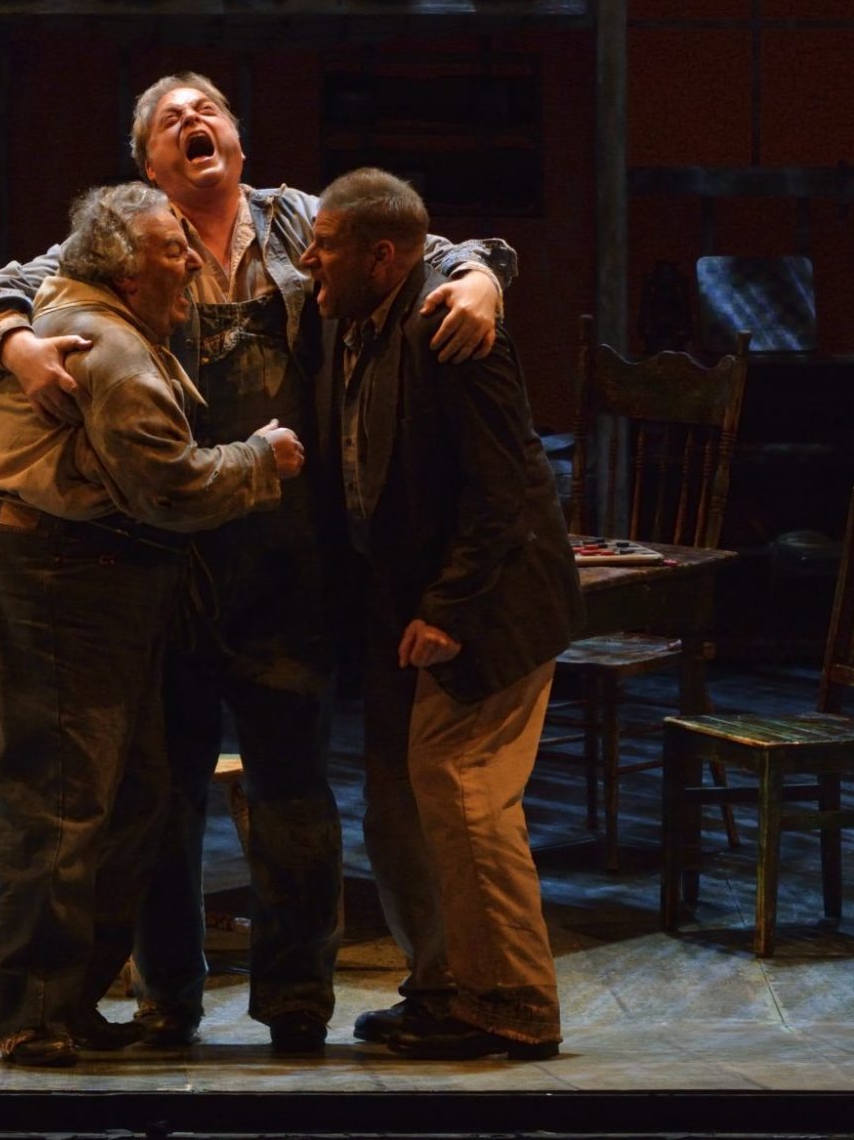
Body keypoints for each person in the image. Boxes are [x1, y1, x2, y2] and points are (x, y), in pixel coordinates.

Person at [0, 72, 516, 1052]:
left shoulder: (299, 221)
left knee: (292, 789)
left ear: (239, 142)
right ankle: (166, 996)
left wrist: (482, 279)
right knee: (159, 800)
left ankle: (296, 995)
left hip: (283, 562)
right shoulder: (128, 238)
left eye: (205, 108)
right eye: (166, 119)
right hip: (155, 555)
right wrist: (11, 344)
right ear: (147, 165)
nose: (189, 121)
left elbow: (425, 240)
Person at [0, 182, 306, 1067]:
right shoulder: (105, 345)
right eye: (168, 251)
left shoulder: (108, 314)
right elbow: (172, 485)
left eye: (187, 244)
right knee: (60, 802)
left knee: (134, 798)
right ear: (122, 268)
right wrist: (263, 457)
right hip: (50, 575)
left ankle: (66, 1000)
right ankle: (36, 1011)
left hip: (92, 581)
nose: (188, 262)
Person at [299, 167, 581, 1060]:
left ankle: (516, 1004)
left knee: (465, 794)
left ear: (382, 259)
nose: (309, 256)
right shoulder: (351, 318)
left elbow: (511, 488)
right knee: (421, 801)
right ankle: (448, 986)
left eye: (329, 245)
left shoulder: (453, 326)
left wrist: (452, 607)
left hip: (489, 605)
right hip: (400, 607)